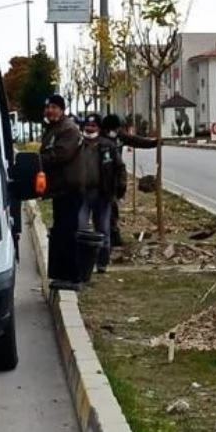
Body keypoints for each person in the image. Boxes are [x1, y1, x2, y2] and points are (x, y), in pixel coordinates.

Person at [39, 94, 85, 289]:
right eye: (48, 107)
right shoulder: (54, 128)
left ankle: (74, 278)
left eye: (54, 107)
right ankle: (62, 275)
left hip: (70, 189)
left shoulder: (68, 129)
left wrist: (38, 160)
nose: (50, 111)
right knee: (60, 232)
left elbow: (61, 154)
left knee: (68, 232)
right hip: (60, 189)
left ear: (62, 109)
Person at [78, 113, 126, 274]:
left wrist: (119, 189)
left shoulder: (107, 146)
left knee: (103, 230)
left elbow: (120, 168)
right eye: (87, 125)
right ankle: (83, 263)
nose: (90, 128)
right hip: (81, 194)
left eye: (93, 125)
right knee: (81, 228)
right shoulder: (77, 145)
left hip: (102, 195)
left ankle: (102, 263)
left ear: (99, 128)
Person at [100, 113, 157, 247]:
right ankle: (111, 236)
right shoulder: (100, 138)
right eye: (110, 130)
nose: (113, 132)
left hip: (117, 175)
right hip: (102, 177)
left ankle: (112, 234)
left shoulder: (120, 135)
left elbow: (135, 141)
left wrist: (153, 143)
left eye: (115, 129)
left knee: (113, 205)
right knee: (108, 206)